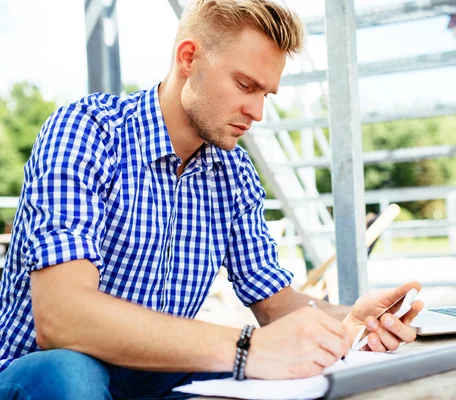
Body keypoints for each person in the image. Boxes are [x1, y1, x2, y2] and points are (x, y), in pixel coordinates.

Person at [0, 0, 424, 399]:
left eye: (266, 95)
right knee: (68, 373)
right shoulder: (87, 130)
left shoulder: (234, 174)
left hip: (156, 373)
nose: (257, 112)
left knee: (303, 371)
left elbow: (275, 304)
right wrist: (246, 348)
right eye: (245, 85)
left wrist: (348, 320)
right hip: (43, 373)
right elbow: (61, 320)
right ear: (188, 58)